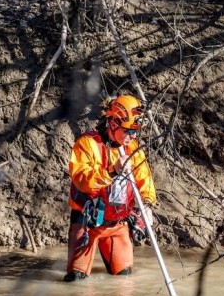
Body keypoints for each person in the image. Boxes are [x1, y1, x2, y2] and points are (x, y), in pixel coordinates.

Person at [64, 94, 157, 282]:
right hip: (87, 223)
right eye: (128, 131)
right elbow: (82, 180)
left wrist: (148, 205)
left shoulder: (133, 150)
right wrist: (113, 171)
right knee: (75, 280)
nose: (132, 136)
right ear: (113, 124)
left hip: (118, 224)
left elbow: (145, 181)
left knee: (124, 280)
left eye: (135, 131)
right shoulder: (87, 144)